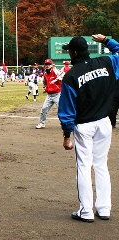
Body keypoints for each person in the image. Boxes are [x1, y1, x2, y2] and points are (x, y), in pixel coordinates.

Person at [58, 34, 119, 222]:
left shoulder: (71, 76)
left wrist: (67, 135)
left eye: (70, 50)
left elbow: (67, 110)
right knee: (101, 165)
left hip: (84, 125)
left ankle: (86, 211)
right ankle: (104, 208)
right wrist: (106, 41)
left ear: (74, 53)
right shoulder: (106, 62)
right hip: (104, 122)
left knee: (84, 167)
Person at [35, 59, 62, 129]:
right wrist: (45, 87)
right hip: (49, 95)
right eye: (46, 64)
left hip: (57, 94)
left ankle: (66, 123)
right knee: (44, 109)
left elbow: (63, 74)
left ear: (52, 65)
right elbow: (44, 82)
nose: (47, 66)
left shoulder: (55, 71)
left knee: (62, 109)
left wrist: (55, 80)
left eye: (49, 64)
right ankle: (42, 123)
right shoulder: (45, 74)